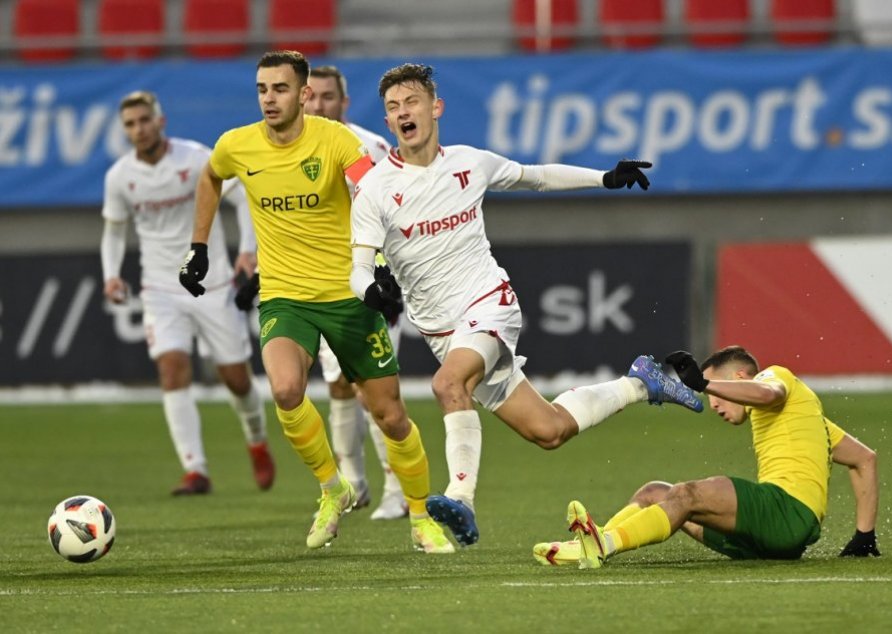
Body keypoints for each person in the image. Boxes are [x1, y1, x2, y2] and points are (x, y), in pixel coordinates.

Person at [348, 63, 703, 549]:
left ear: (435, 108)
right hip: (440, 330)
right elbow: (358, 269)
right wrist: (371, 291)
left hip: (488, 301)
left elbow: (535, 176)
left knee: (449, 384)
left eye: (411, 101)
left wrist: (604, 177)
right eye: (392, 107)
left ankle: (462, 499)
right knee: (549, 430)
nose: (402, 112)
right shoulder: (374, 190)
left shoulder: (470, 163)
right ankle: (643, 382)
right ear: (387, 123)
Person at [178, 51, 452, 554]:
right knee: (285, 389)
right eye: (262, 89)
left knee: (390, 416)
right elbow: (211, 177)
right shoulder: (237, 145)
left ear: (304, 95)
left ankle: (420, 516)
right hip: (286, 296)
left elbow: (374, 191)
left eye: (280, 89)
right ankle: (333, 488)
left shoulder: (336, 140)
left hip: (348, 297)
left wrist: (383, 266)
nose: (269, 99)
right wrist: (198, 247)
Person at [532, 345, 881, 568]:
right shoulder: (808, 420)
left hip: (787, 513)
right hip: (766, 538)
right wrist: (864, 538)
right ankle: (591, 542)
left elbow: (766, 391)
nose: (713, 404)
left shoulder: (774, 377)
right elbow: (864, 459)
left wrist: (704, 383)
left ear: (740, 377)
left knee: (689, 494)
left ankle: (604, 545)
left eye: (717, 389)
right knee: (656, 493)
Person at [101, 90, 275, 496]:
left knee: (236, 378)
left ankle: (256, 440)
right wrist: (111, 275)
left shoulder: (197, 158)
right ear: (125, 130)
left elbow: (244, 200)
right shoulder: (119, 177)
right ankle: (195, 469)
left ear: (160, 121)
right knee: (172, 368)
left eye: (144, 120)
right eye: (130, 123)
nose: (138, 129)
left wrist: (247, 249)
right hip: (159, 287)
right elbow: (113, 230)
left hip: (211, 283)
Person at [304, 65, 408, 521]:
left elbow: (396, 210)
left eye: (330, 98)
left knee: (374, 390)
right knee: (338, 385)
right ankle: (355, 483)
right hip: (322, 284)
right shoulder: (292, 151)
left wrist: (387, 273)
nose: (320, 105)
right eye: (314, 97)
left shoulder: (372, 148)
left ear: (343, 102)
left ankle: (397, 491)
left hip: (372, 283)